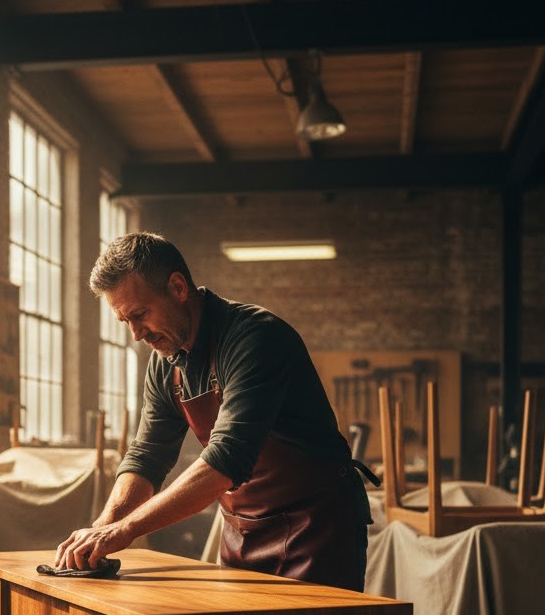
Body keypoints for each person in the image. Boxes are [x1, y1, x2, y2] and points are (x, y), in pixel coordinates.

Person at [55, 231, 375, 589]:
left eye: (141, 315)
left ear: (178, 287)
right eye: (125, 321)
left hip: (316, 531)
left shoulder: (256, 338)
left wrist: (124, 530)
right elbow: (147, 457)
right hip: (241, 532)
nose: (136, 335)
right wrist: (102, 528)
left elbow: (227, 459)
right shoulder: (166, 362)